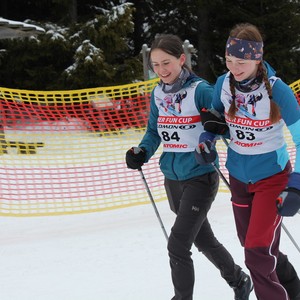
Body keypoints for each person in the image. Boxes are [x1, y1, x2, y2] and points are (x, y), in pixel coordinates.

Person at [125, 34, 253, 300]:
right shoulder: (158, 93)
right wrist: (141, 152)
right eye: (156, 65)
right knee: (203, 239)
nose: (161, 70)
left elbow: (231, 125)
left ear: (181, 59)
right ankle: (239, 279)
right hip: (172, 179)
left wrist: (217, 126)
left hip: (200, 176)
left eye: (167, 63)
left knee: (177, 245)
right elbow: (153, 132)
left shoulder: (201, 90)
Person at [196, 23, 300, 300]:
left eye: (241, 61)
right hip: (239, 178)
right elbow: (216, 122)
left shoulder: (278, 91)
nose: (234, 67)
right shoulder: (223, 84)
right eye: (229, 60)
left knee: (256, 252)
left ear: (257, 58)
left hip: (273, 178)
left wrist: (297, 184)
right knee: (260, 247)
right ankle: (293, 288)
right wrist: (207, 139)